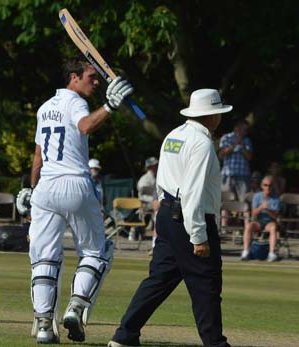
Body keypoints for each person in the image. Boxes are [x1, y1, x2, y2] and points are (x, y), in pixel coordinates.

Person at [16, 57, 133, 344]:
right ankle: (76, 306)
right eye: (91, 77)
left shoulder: (45, 108)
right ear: (73, 77)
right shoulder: (76, 103)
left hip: (45, 187)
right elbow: (84, 126)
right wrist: (110, 106)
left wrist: (31, 190)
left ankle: (44, 325)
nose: (95, 82)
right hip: (75, 184)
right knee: (96, 252)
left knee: (43, 257)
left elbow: (38, 156)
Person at [109, 89, 232, 347]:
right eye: (219, 113)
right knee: (206, 284)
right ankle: (215, 343)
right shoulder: (202, 143)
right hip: (190, 217)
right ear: (211, 116)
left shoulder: (173, 136)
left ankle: (124, 335)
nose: (220, 118)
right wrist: (198, 236)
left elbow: (167, 182)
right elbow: (193, 192)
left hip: (168, 213)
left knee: (159, 280)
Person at [241, 175, 280, 262]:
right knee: (249, 226)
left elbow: (276, 217)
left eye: (270, 185)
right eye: (265, 185)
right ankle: (246, 251)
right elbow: (253, 214)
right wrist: (261, 207)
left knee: (273, 227)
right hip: (258, 221)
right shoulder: (257, 196)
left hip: (269, 222)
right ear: (262, 186)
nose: (267, 187)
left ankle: (272, 253)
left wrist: (267, 209)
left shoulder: (275, 198)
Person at [218, 119, 253, 202]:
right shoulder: (226, 137)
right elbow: (221, 154)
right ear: (236, 128)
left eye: (246, 130)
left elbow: (249, 157)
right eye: (243, 129)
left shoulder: (247, 140)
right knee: (226, 202)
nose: (245, 132)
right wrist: (235, 144)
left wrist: (243, 145)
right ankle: (225, 216)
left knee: (244, 201)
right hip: (227, 175)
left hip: (243, 176)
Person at [136, 156, 159, 243]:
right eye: (155, 165)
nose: (157, 167)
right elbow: (141, 196)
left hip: (154, 202)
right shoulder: (145, 179)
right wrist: (154, 200)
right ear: (151, 167)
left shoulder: (156, 177)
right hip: (146, 204)